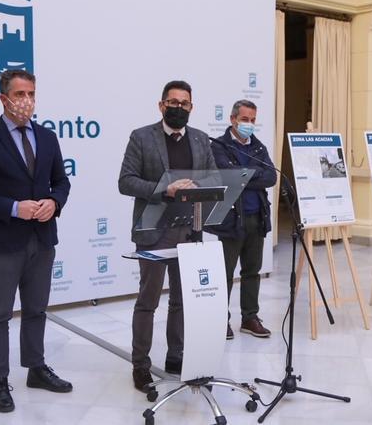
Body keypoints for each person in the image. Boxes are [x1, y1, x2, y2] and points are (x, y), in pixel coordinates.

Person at [0, 69, 73, 413]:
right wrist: (14, 208)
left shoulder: (48, 137)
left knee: (37, 308)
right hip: (3, 239)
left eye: (32, 94)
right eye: (20, 94)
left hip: (43, 238)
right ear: (4, 98)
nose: (27, 101)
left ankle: (36, 368)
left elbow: (61, 182)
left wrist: (54, 203)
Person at [118, 80, 217, 392]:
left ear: (191, 108)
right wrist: (165, 189)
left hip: (190, 229)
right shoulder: (142, 137)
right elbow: (126, 181)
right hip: (153, 230)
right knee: (148, 300)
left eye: (184, 103)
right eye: (172, 103)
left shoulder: (201, 140)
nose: (178, 108)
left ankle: (176, 356)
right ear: (161, 105)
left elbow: (214, 177)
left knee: (182, 299)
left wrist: (201, 187)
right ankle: (141, 364)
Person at [207, 100, 275, 340]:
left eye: (253, 120)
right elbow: (227, 177)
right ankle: (220, 320)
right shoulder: (218, 146)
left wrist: (245, 177)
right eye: (245, 119)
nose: (249, 124)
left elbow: (271, 177)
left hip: (257, 217)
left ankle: (249, 317)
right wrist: (249, 175)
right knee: (224, 273)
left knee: (252, 271)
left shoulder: (258, 147)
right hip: (230, 219)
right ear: (233, 119)